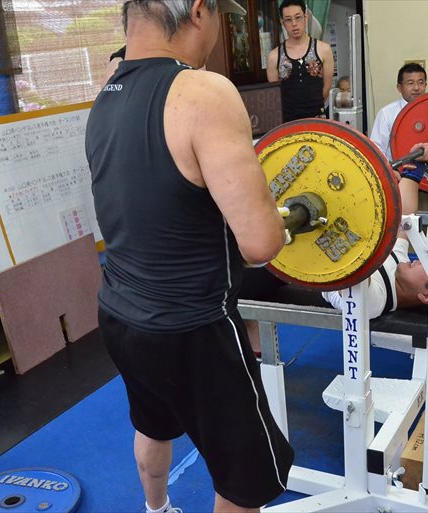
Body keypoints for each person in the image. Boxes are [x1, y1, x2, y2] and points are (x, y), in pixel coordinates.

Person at [84, 1, 293, 512]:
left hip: (119, 313)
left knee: (152, 422)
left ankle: (156, 509)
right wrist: (278, 216)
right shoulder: (204, 91)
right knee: (246, 480)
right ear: (199, 10)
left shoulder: (105, 92)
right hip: (192, 330)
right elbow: (261, 244)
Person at [241, 143, 428, 351]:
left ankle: (253, 343)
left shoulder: (375, 301)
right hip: (297, 241)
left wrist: (373, 191)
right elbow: (405, 219)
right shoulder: (400, 264)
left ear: (426, 296)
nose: (423, 259)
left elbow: (353, 264)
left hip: (282, 267)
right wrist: (415, 169)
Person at [266, 0, 335, 122]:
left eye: (298, 17)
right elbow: (276, 97)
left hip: (318, 120)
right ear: (282, 23)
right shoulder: (274, 57)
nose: (294, 24)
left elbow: (326, 88)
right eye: (288, 20)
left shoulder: (324, 50)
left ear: (305, 18)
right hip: (287, 123)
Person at [370, 63, 427, 161]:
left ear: (425, 85)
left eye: (420, 83)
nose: (416, 88)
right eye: (410, 83)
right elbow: (376, 150)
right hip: (396, 168)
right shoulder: (386, 114)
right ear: (399, 88)